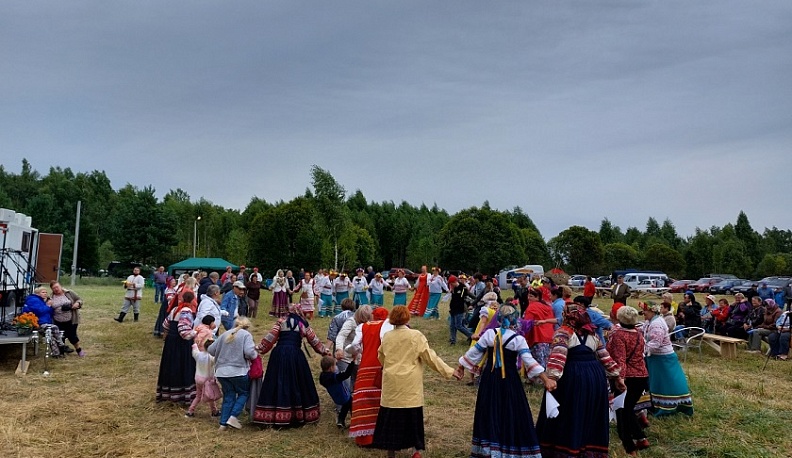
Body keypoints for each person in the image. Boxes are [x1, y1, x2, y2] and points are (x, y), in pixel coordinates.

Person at [456, 305, 556, 458]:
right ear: (515, 320)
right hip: (509, 380)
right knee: (511, 410)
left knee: (489, 409)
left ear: (499, 319)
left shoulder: (490, 334)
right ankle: (509, 446)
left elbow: (474, 352)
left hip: (490, 379)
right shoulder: (518, 339)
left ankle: (488, 447)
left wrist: (461, 367)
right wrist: (546, 379)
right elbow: (529, 361)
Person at [536, 301, 623, 458]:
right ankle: (589, 449)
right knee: (589, 411)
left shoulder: (563, 333)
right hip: (594, 377)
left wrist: (552, 378)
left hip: (573, 377)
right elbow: (605, 358)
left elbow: (558, 357)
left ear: (567, 316)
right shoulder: (592, 334)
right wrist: (616, 376)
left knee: (569, 412)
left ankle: (566, 449)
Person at [372, 306, 456, 458]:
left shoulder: (387, 336)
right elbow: (430, 358)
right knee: (412, 419)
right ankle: (415, 451)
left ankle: (391, 452)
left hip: (391, 386)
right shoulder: (416, 336)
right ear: (407, 317)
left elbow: (381, 356)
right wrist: (449, 371)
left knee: (391, 420)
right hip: (410, 387)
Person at [253, 304, 331, 427]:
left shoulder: (281, 321)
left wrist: (260, 348)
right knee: (298, 382)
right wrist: (324, 351)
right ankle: (298, 414)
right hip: (295, 355)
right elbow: (314, 340)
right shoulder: (302, 324)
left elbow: (271, 337)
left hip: (279, 354)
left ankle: (272, 414)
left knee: (277, 381)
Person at [606, 306, 650, 455]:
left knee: (621, 410)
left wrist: (620, 379)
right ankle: (640, 438)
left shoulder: (618, 335)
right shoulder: (638, 333)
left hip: (627, 377)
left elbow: (620, 359)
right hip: (641, 375)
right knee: (628, 408)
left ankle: (630, 445)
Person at [346, 306, 392, 446]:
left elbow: (355, 345)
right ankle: (383, 435)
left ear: (373, 316)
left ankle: (365, 438)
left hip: (365, 367)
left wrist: (351, 351)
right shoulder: (388, 327)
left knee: (363, 400)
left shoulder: (362, 327)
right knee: (383, 400)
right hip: (381, 366)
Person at [640, 301, 693, 417]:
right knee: (658, 382)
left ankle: (670, 406)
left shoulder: (657, 323)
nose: (643, 313)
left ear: (652, 311)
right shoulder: (650, 321)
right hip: (656, 358)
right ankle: (658, 405)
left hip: (663, 358)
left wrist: (640, 350)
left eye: (645, 310)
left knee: (668, 382)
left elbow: (656, 343)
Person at [207, 316, 257, 430]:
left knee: (228, 396)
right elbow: (249, 352)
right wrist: (255, 354)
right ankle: (233, 416)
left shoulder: (225, 334)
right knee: (244, 393)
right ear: (247, 327)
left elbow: (210, 350)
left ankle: (223, 423)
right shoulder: (246, 335)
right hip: (238, 371)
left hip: (221, 372)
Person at [156, 291, 198, 404]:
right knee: (181, 367)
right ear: (193, 300)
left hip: (171, 342)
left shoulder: (175, 309)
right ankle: (181, 396)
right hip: (181, 344)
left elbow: (165, 324)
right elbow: (184, 331)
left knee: (171, 366)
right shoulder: (186, 311)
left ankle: (168, 394)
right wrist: (195, 332)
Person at [185, 315, 220, 418]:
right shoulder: (211, 357)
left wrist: (195, 345)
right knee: (211, 395)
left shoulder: (198, 355)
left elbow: (195, 347)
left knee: (198, 395)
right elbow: (217, 360)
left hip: (198, 378)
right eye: (213, 322)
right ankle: (214, 411)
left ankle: (190, 411)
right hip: (207, 379)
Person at [22, 287, 66, 357]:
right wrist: (48, 306)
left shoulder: (41, 301)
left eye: (46, 292)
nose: (45, 294)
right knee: (54, 328)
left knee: (51, 336)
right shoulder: (33, 300)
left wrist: (50, 307)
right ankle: (61, 345)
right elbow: (39, 311)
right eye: (43, 292)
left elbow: (49, 313)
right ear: (37, 293)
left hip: (45, 322)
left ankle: (56, 354)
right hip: (38, 323)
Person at [319, 356, 357, 428]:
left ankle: (340, 421)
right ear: (331, 368)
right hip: (343, 395)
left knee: (345, 406)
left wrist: (335, 360)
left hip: (336, 397)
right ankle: (354, 420)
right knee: (350, 403)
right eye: (334, 365)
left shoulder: (323, 377)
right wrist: (352, 362)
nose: (336, 366)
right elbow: (346, 374)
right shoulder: (335, 377)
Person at [49, 281, 85, 357]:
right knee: (60, 337)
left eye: (57, 287)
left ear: (60, 286)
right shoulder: (51, 297)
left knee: (72, 336)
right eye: (54, 288)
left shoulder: (69, 293)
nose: (56, 289)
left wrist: (77, 304)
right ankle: (61, 352)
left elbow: (79, 300)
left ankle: (79, 350)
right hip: (57, 321)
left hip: (71, 319)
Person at [523, 288, 556, 368]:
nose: (528, 298)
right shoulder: (548, 307)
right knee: (547, 361)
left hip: (537, 338)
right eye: (528, 296)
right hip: (549, 337)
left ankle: (541, 380)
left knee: (538, 364)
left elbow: (527, 324)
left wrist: (525, 338)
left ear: (537, 297)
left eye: (531, 296)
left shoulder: (531, 307)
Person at [447, 275, 473, 345]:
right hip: (453, 309)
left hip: (459, 309)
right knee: (452, 326)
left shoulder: (462, 288)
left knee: (459, 326)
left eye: (451, 283)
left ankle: (471, 335)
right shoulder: (453, 289)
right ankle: (453, 340)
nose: (451, 285)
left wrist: (474, 301)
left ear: (455, 282)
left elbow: (468, 295)